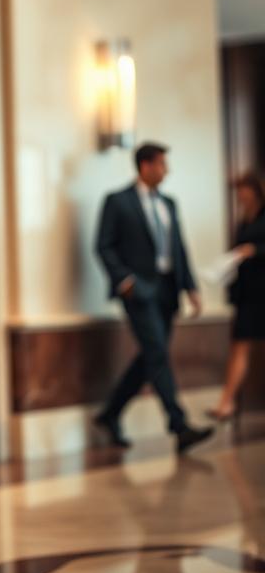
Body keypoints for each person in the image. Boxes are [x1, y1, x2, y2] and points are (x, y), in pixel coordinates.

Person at [93, 142, 214, 454]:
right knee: (157, 352)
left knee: (151, 356)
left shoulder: (169, 204)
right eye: (162, 164)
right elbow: (103, 245)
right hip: (139, 290)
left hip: (167, 288)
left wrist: (191, 288)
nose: (167, 170)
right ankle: (179, 425)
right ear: (144, 166)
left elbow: (179, 248)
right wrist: (125, 280)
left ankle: (110, 414)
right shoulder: (118, 201)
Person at [208, 172, 265, 421]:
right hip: (247, 293)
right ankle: (226, 402)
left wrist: (256, 250)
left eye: (244, 189)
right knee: (239, 345)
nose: (240, 195)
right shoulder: (243, 220)